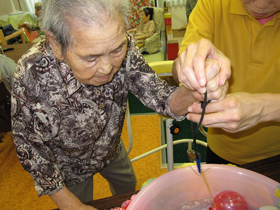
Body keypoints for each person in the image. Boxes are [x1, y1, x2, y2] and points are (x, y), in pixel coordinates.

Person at [11, 0, 228, 209]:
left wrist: (195, 89)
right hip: (68, 166)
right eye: (90, 58)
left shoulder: (124, 42)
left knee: (128, 190)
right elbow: (32, 151)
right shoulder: (30, 75)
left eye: (116, 50)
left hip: (111, 147)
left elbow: (160, 97)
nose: (107, 68)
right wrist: (73, 206)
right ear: (56, 44)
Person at [173, 0, 280, 165]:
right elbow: (181, 63)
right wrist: (189, 67)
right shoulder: (213, 4)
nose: (260, 5)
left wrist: (264, 108)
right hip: (221, 149)